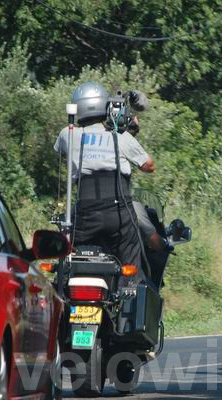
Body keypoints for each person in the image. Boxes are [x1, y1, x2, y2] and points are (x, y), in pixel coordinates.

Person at [53, 82, 155, 279]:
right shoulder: (121, 137)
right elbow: (149, 166)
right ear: (104, 105)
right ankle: (129, 295)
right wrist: (129, 131)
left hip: (86, 213)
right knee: (131, 262)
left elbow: (60, 151)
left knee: (71, 263)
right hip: (119, 214)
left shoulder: (68, 133)